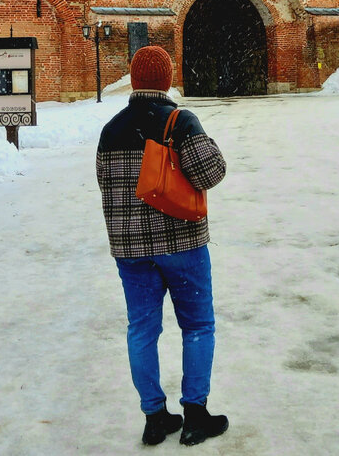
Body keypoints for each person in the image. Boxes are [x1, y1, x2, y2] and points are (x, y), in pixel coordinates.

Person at [96, 45, 229, 446]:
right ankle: (195, 415)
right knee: (197, 326)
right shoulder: (179, 120)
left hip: (131, 252)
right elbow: (212, 173)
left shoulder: (111, 129)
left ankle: (155, 417)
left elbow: (108, 189)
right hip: (182, 244)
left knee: (142, 330)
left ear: (135, 80)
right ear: (167, 80)